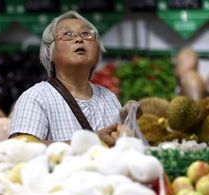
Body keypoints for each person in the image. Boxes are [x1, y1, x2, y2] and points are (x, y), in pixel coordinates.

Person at [9, 10, 137, 146]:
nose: (79, 39)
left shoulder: (109, 98)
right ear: (50, 52)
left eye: (87, 34)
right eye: (67, 34)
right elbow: (21, 148)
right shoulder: (36, 97)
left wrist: (128, 121)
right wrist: (92, 142)